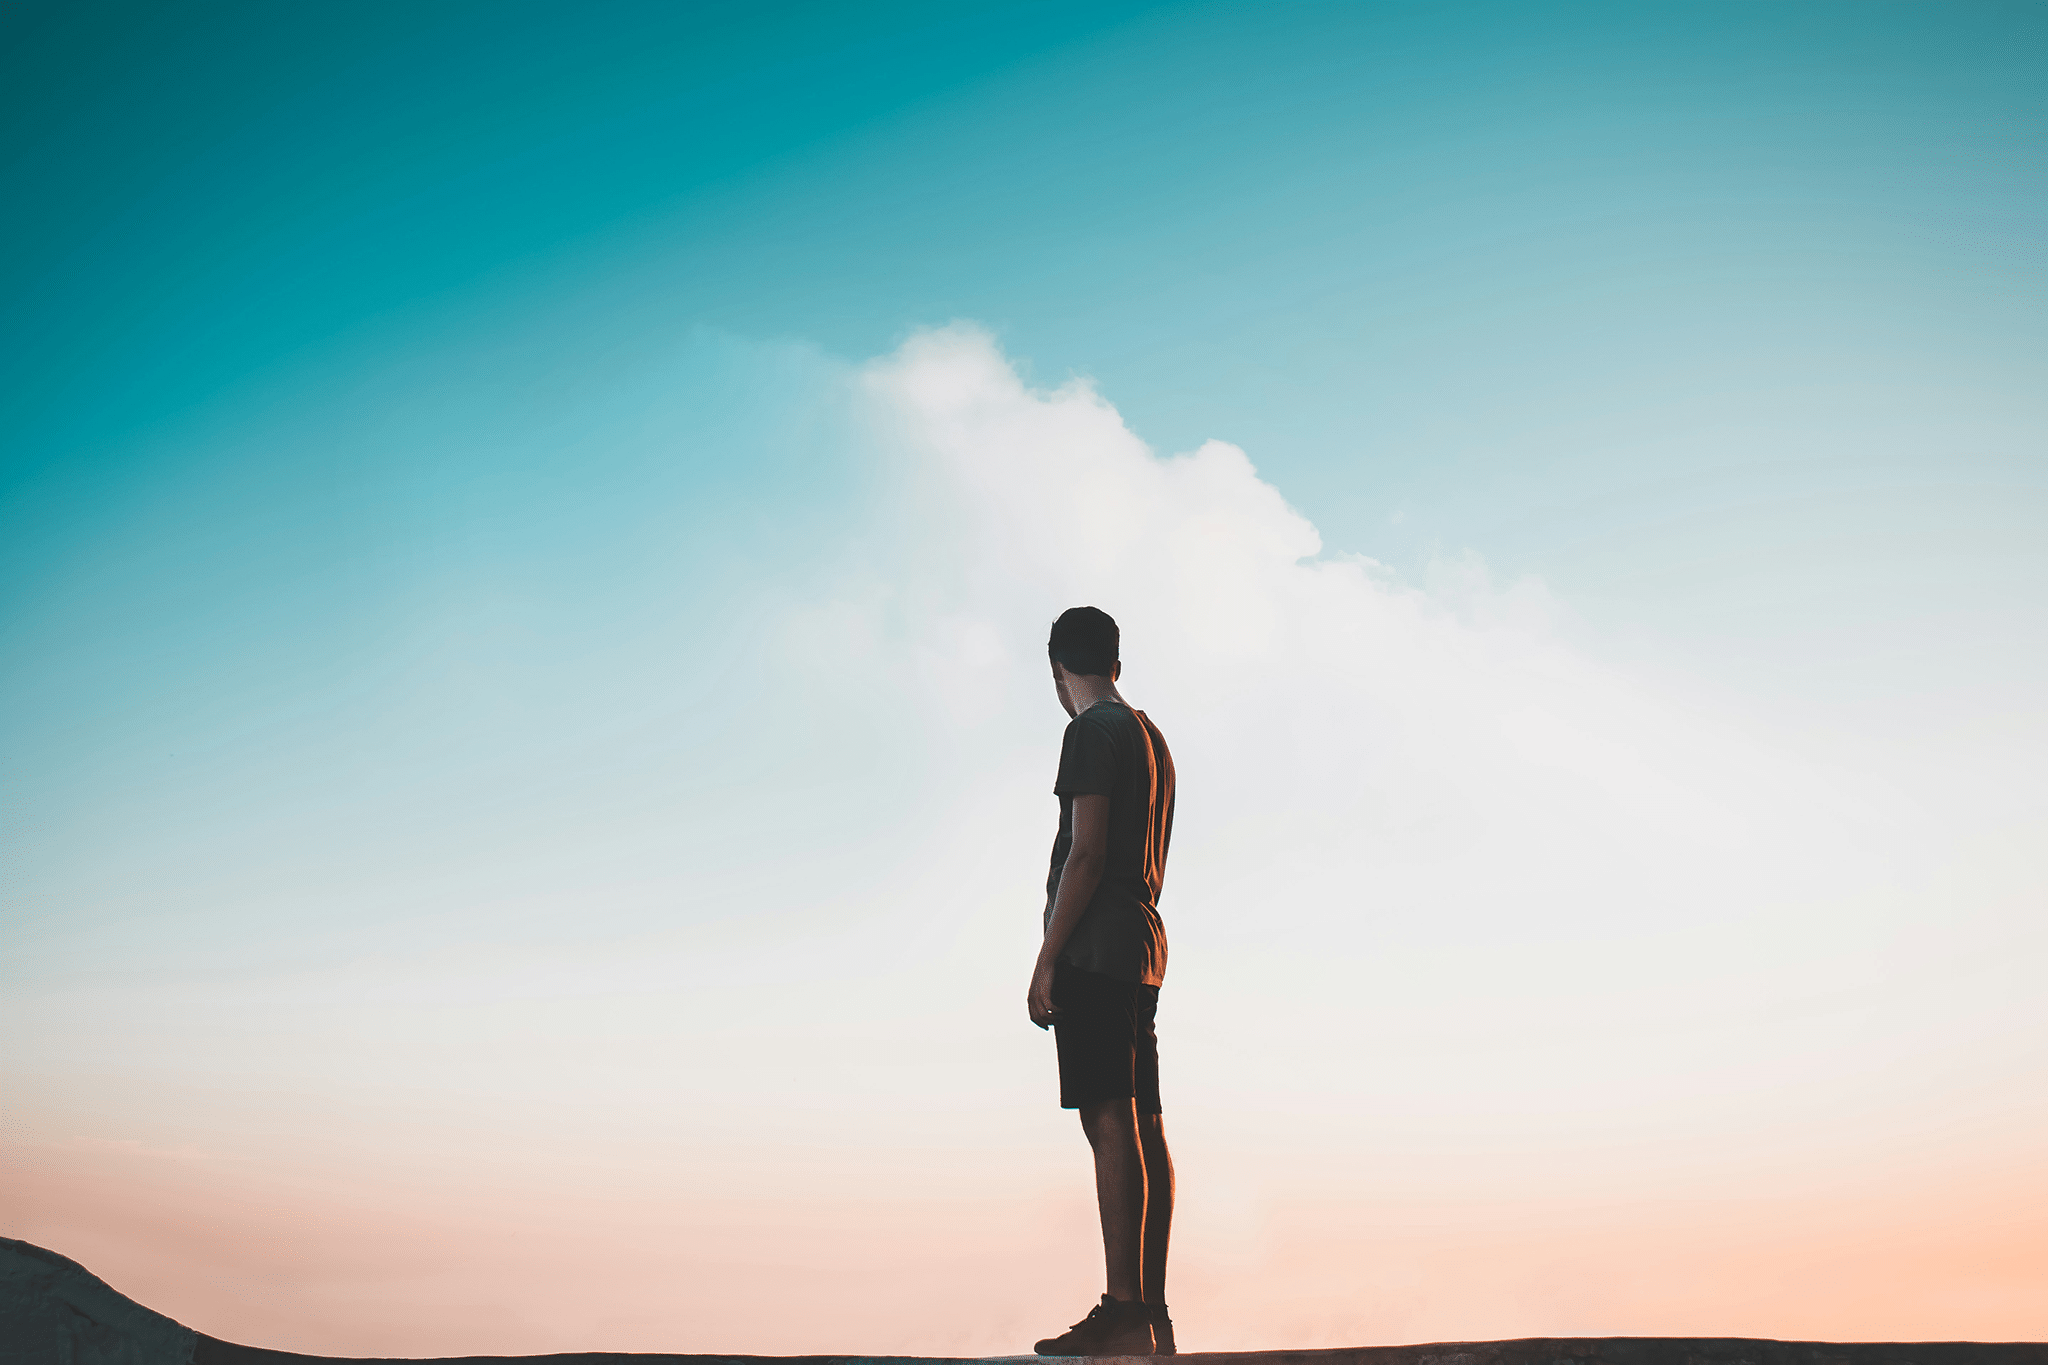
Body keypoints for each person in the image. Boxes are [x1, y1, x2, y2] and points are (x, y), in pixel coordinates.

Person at [1027, 606, 1178, 1357]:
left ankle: (1121, 1306)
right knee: (1144, 1122)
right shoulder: (1151, 736)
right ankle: (1149, 1306)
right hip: (1142, 948)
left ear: (1060, 670)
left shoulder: (1089, 731)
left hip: (1095, 951)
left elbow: (1085, 853)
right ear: (1114, 661)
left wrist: (1047, 955)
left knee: (1107, 1118)